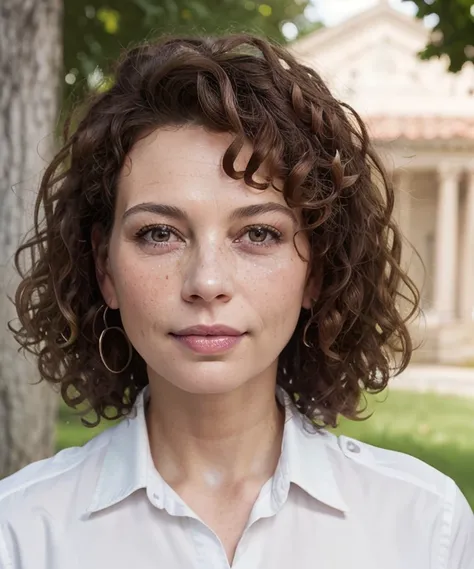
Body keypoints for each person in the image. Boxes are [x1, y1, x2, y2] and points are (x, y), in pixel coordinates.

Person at [0, 33, 472, 569]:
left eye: (258, 234)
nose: (206, 282)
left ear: (316, 272)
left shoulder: (427, 526)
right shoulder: (18, 533)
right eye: (159, 233)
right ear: (104, 267)